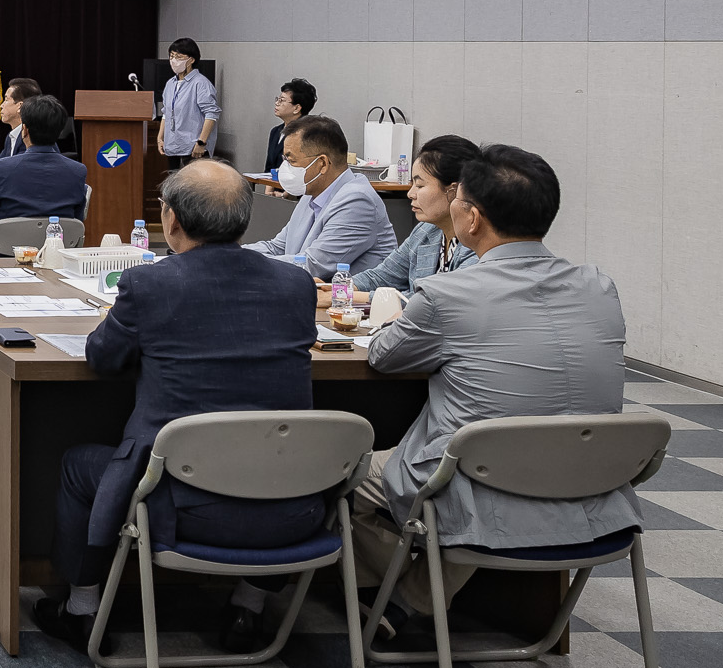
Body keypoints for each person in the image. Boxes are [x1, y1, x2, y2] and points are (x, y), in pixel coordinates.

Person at [33, 162, 321, 656]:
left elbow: (103, 358)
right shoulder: (297, 286)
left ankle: (81, 610)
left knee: (79, 463)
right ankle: (247, 608)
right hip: (294, 503)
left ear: (169, 220)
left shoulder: (150, 285)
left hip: (177, 505)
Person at [354, 145, 634, 639]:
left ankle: (389, 591)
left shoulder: (447, 295)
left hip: (482, 492)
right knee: (492, 451)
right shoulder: (600, 286)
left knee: (340, 472)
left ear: (472, 217)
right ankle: (410, 599)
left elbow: (383, 356)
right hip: (592, 491)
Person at [249, 113, 397, 279]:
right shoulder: (311, 193)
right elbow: (277, 247)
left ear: (322, 164)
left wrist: (242, 264)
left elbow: (312, 265)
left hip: (351, 302)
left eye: (291, 161)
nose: (285, 167)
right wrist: (231, 254)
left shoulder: (357, 201)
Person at [354, 134, 481, 301]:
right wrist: (339, 287)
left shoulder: (477, 243)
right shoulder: (426, 231)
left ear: (454, 190)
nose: (410, 193)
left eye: (420, 185)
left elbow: (432, 302)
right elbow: (382, 276)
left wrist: (352, 296)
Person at [0, 94, 88, 231]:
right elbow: (77, 218)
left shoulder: (1, 169)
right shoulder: (78, 171)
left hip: (5, 251)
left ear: (25, 130)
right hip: (54, 249)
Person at [156, 38, 219, 166]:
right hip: (172, 147)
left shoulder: (201, 83)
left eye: (179, 57)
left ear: (191, 60)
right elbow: (166, 113)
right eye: (171, 56)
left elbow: (211, 114)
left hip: (194, 148)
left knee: (193, 185)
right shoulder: (170, 83)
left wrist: (202, 142)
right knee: (174, 184)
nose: (173, 60)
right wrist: (160, 137)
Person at [266, 78, 316, 175]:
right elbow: (269, 167)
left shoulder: (306, 133)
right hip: (272, 186)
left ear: (297, 108)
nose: (277, 103)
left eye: (282, 100)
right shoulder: (275, 131)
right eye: (278, 99)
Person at [0, 77, 44, 156]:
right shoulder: (11, 136)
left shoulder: (32, 138)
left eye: (6, 100)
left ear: (20, 106)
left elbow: (13, 166)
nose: (1, 105)